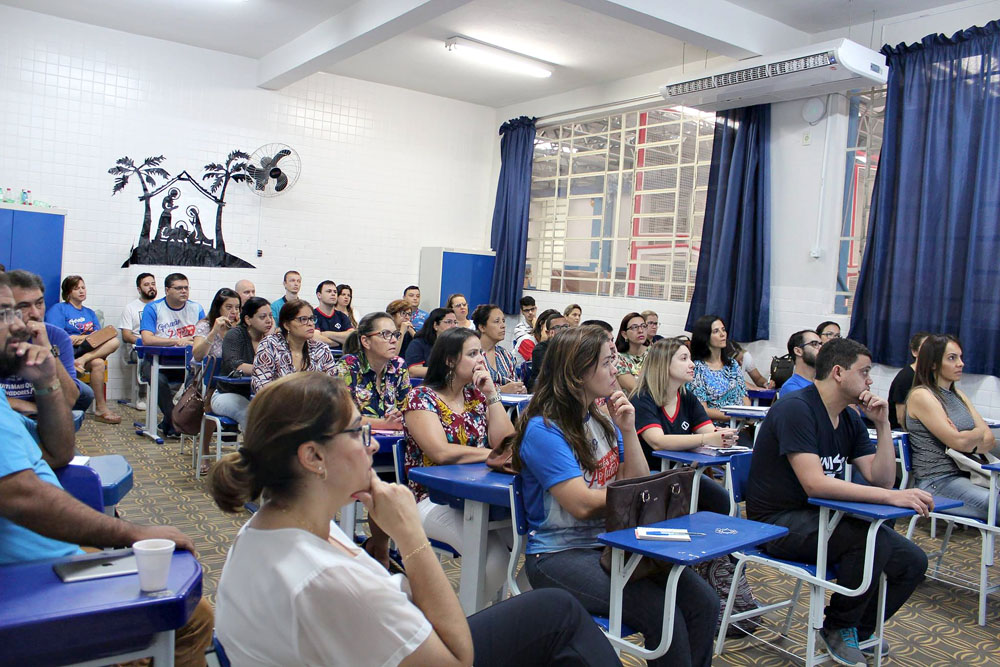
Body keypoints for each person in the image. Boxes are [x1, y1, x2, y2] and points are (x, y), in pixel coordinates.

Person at [209, 371, 618, 666]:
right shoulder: (327, 578)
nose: (371, 447)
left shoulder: (264, 528)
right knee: (558, 616)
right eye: (357, 433)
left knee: (552, 610)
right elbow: (458, 659)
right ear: (313, 457)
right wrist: (409, 533)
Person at [0, 272, 214, 665]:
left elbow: (60, 454)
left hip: (49, 552)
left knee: (193, 611)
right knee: (192, 617)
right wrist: (132, 532)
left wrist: (47, 380)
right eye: (3, 314)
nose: (19, 324)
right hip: (23, 575)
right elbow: (23, 497)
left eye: (20, 310)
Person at [513, 325, 719, 666]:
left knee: (703, 603)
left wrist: (627, 428)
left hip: (611, 544)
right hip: (560, 555)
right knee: (660, 614)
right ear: (578, 371)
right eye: (609, 362)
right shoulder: (545, 429)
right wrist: (639, 495)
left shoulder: (601, 416)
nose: (618, 370)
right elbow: (580, 504)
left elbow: (636, 478)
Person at [746, 337, 932, 666]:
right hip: (776, 522)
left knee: (912, 562)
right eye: (864, 372)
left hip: (821, 518)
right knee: (869, 541)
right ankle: (838, 627)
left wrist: (883, 424)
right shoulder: (796, 409)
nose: (871, 380)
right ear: (838, 372)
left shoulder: (848, 417)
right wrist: (893, 497)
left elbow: (882, 477)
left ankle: (858, 631)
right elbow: (815, 485)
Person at [403, 328, 516, 599]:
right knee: (495, 557)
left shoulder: (476, 397)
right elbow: (440, 452)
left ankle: (480, 617)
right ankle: (460, 623)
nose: (481, 361)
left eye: (481, 353)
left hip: (477, 495)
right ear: (450, 360)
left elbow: (506, 442)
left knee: (535, 548)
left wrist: (492, 394)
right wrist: (490, 455)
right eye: (472, 354)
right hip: (431, 499)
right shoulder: (421, 398)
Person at [335, 311, 413, 569]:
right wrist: (383, 423)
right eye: (385, 334)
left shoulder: (399, 367)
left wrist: (399, 416)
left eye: (395, 334)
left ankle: (380, 549)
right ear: (366, 341)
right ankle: (376, 552)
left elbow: (408, 408)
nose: (393, 340)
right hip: (353, 446)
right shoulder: (347, 367)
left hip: (392, 446)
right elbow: (343, 416)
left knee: (394, 486)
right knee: (376, 484)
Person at [629, 337, 736, 512]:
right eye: (684, 359)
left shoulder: (686, 397)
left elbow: (710, 432)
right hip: (650, 474)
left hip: (681, 473)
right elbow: (657, 441)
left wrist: (724, 436)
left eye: (690, 358)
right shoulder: (642, 398)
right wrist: (707, 438)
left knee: (728, 506)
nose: (692, 364)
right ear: (663, 364)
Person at [906, 334, 996, 523]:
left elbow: (989, 439)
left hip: (969, 475)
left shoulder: (958, 395)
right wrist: (974, 435)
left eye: (960, 357)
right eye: (952, 358)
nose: (961, 363)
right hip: (937, 482)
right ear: (933, 364)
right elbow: (958, 441)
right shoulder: (922, 395)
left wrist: (968, 439)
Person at [2, 270, 81, 417]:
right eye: (24, 306)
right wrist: (22, 405)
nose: (36, 314)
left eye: (39, 303)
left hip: (43, 420)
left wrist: (48, 349)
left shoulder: (57, 336)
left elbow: (69, 400)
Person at [45, 275, 121, 424]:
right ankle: (79, 361)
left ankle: (100, 408)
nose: (81, 291)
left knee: (112, 344)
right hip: (66, 352)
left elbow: (100, 337)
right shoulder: (59, 309)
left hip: (86, 352)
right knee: (98, 359)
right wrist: (83, 338)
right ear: (68, 292)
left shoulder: (89, 313)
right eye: (76, 288)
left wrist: (79, 338)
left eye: (83, 287)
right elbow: (57, 336)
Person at [140, 273, 204, 438]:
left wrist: (192, 342)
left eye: (186, 288)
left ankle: (170, 424)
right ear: (167, 290)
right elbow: (147, 339)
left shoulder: (196, 309)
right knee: (159, 381)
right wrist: (177, 341)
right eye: (179, 288)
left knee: (198, 379)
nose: (184, 291)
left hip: (186, 363)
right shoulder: (153, 308)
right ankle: (175, 423)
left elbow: (202, 338)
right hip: (155, 362)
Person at [212, 297, 272, 429]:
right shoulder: (235, 335)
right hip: (225, 395)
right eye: (263, 317)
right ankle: (254, 449)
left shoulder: (271, 340)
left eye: (270, 316)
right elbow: (235, 364)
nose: (269, 321)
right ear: (247, 319)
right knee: (250, 415)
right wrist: (269, 369)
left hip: (255, 396)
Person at [252, 300, 337, 394]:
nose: (310, 323)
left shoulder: (321, 349)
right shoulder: (270, 345)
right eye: (303, 319)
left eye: (312, 318)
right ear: (287, 325)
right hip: (277, 404)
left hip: (314, 405)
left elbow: (332, 386)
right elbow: (261, 385)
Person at [688, 314, 748, 422]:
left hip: (740, 425)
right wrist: (735, 417)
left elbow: (744, 395)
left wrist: (748, 414)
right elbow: (702, 409)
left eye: (723, 330)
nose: (722, 334)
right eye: (716, 331)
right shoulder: (697, 368)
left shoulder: (732, 364)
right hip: (714, 428)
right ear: (705, 337)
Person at [472, 304, 525, 394]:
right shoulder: (471, 355)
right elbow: (469, 391)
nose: (503, 325)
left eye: (503, 321)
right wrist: (501, 390)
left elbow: (515, 382)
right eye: (497, 321)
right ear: (482, 327)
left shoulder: (506, 355)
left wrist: (520, 389)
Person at [888, 331, 930, 430]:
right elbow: (900, 418)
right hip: (901, 430)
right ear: (915, 352)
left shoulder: (931, 377)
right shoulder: (906, 377)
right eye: (925, 348)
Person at [404, 308, 457, 379]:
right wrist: (443, 371)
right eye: (449, 322)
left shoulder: (457, 344)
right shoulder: (418, 344)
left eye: (455, 322)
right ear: (435, 325)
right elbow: (413, 371)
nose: (453, 326)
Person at [192, 288, 240, 362]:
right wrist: (214, 331)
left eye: (237, 308)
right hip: (209, 371)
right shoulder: (204, 325)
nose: (234, 311)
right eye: (229, 307)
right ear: (218, 308)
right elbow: (198, 357)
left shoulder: (239, 328)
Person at [528, 311, 571, 391]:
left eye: (565, 326)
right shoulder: (540, 349)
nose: (563, 330)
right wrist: (554, 343)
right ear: (548, 333)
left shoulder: (571, 348)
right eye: (557, 327)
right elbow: (549, 374)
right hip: (542, 390)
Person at [121, 272, 157, 353]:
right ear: (139, 289)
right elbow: (126, 336)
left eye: (153, 284)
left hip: (159, 345)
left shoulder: (161, 306)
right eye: (146, 284)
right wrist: (144, 341)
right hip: (139, 347)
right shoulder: (130, 308)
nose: (151, 287)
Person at [779, 329, 822, 396]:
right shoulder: (791, 388)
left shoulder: (822, 383)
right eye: (814, 344)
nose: (821, 348)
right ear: (798, 351)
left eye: (821, 344)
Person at [313, 280, 353, 348]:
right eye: (329, 291)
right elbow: (315, 338)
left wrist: (325, 334)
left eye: (335, 292)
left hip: (341, 357)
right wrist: (339, 342)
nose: (333, 294)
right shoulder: (312, 315)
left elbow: (352, 337)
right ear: (319, 295)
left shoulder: (342, 316)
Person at [614, 312, 647, 394]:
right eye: (634, 327)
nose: (640, 330)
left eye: (643, 326)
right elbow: (634, 389)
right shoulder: (618, 359)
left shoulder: (654, 353)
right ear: (624, 334)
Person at [513, 296, 537, 361]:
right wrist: (535, 327)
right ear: (522, 312)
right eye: (526, 310)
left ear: (536, 308)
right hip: (524, 363)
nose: (530, 312)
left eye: (532, 309)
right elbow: (527, 344)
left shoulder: (542, 324)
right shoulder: (519, 329)